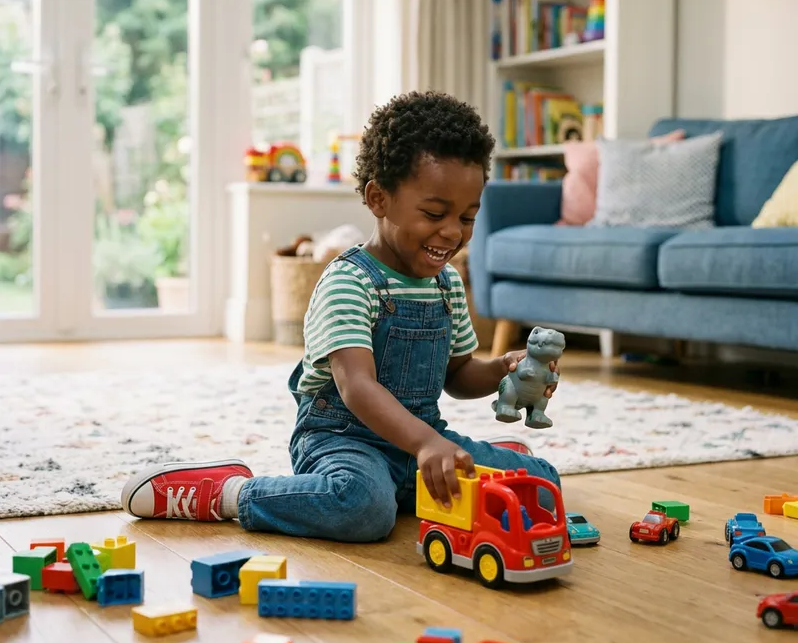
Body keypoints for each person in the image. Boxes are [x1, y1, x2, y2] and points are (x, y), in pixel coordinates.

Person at [120, 91, 561, 541]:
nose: (452, 232)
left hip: (419, 442)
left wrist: (505, 370)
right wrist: (427, 443)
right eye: (433, 213)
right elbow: (358, 387)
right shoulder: (349, 282)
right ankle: (229, 493)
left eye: (468, 217)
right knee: (364, 508)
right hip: (343, 442)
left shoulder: (446, 283)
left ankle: (471, 462)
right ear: (378, 198)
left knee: (543, 484)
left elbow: (459, 374)